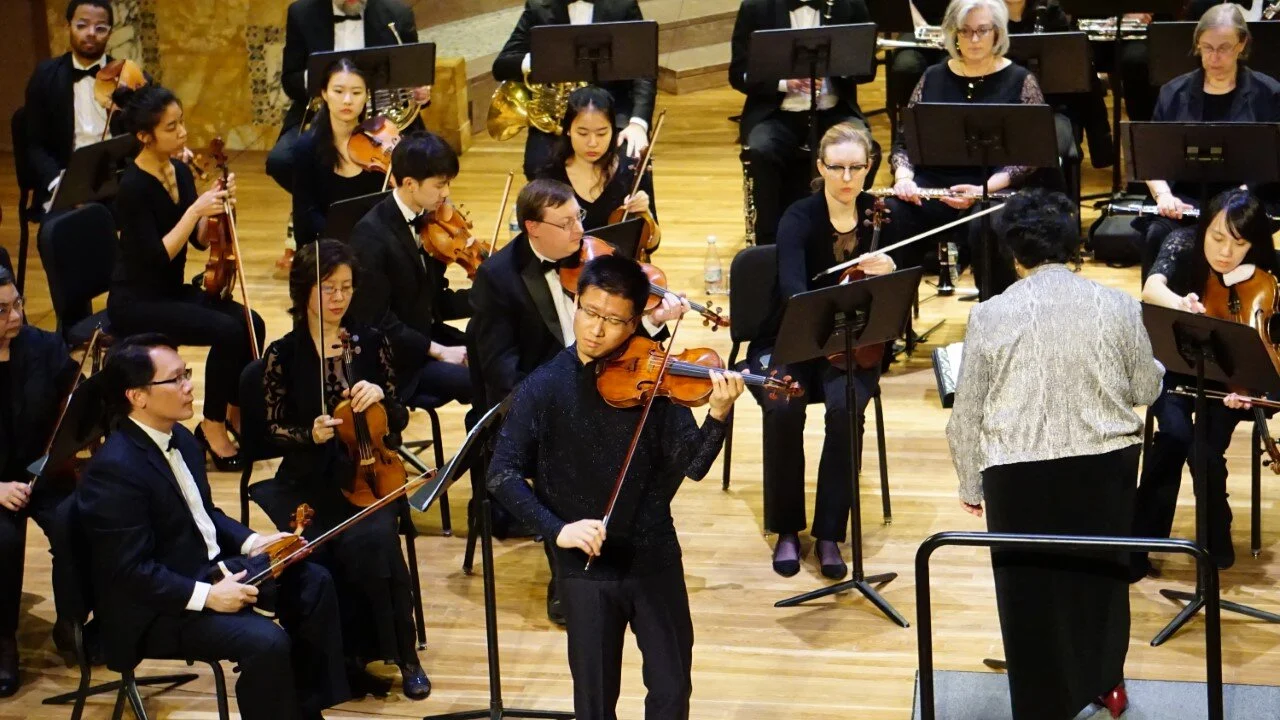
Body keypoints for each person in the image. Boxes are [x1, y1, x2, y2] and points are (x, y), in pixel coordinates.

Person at [487, 254, 746, 720]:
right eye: (589, 311)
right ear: (575, 303)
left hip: (653, 554)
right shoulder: (543, 387)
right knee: (595, 702)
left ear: (634, 322)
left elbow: (694, 465)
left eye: (613, 320)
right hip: (584, 566)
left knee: (672, 690)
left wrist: (719, 415)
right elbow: (501, 473)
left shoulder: (655, 377)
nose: (596, 329)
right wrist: (557, 530)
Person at [946, 189, 1162, 720]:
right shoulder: (1119, 305)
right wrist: (1155, 368)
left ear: (1013, 253)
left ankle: (1040, 704)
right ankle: (1106, 684)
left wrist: (971, 483)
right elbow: (1145, 388)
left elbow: (966, 414)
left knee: (1028, 594)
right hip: (1105, 467)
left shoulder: (989, 315)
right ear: (1074, 247)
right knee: (1101, 584)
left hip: (1017, 474)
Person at [76, 334, 350, 720]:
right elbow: (130, 572)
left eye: (186, 374)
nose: (189, 386)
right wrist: (208, 596)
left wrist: (255, 542)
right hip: (156, 608)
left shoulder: (182, 439)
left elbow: (204, 513)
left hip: (207, 571)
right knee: (266, 642)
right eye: (176, 379)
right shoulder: (114, 471)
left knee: (313, 582)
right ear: (137, 396)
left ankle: (304, 710)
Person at [469, 178, 688, 624]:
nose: (579, 230)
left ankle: (628, 547)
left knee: (648, 443)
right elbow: (500, 370)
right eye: (566, 223)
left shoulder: (595, 256)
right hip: (543, 399)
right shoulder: (497, 278)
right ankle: (568, 570)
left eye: (578, 218)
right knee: (570, 458)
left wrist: (654, 323)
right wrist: (555, 400)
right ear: (533, 227)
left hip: (608, 385)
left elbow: (623, 338)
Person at [252, 240, 430, 700]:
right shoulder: (283, 355)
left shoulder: (369, 341)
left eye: (346, 288)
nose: (339, 298)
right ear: (304, 291)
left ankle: (404, 654)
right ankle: (343, 658)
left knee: (375, 541)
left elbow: (398, 417)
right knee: (332, 547)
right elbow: (271, 430)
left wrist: (383, 400)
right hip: (309, 479)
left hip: (370, 475)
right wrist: (308, 434)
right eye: (328, 288)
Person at [748, 122, 896, 578]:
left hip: (855, 344)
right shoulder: (799, 217)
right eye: (837, 168)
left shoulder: (880, 216)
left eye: (856, 167)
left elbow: (898, 299)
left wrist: (889, 269)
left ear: (869, 167)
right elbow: (794, 291)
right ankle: (787, 529)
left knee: (846, 408)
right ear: (820, 167)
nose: (847, 178)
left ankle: (830, 533)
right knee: (782, 407)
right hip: (792, 338)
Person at [106, 84, 265, 472]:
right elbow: (156, 256)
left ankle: (234, 413)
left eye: (181, 123)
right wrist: (195, 210)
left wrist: (217, 209)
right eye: (171, 127)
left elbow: (197, 241)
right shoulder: (131, 187)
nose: (182, 133)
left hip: (169, 291)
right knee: (228, 332)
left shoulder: (178, 169)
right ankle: (211, 427)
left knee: (252, 323)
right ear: (145, 136)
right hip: (138, 302)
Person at [1133, 189, 1277, 576]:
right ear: (1205, 229)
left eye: (1239, 243)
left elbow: (1271, 340)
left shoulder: (1270, 270)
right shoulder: (1183, 243)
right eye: (1217, 237)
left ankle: (1212, 538)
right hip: (1174, 366)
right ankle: (1142, 544)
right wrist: (1180, 304)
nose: (1226, 252)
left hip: (1233, 381)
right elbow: (1151, 288)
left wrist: (1249, 388)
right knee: (1175, 437)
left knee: (1205, 449)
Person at [885, 0, 1049, 297]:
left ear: (997, 33)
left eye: (982, 30)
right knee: (892, 213)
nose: (974, 39)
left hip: (995, 187)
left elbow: (1031, 155)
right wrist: (904, 178)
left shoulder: (1021, 80)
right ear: (954, 33)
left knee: (988, 224)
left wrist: (983, 188)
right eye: (965, 30)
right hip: (935, 186)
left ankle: (994, 312)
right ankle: (893, 317)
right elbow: (904, 142)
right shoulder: (932, 76)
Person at [271, 0, 427, 270]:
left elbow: (414, 76)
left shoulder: (397, 13)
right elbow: (290, 79)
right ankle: (328, 215)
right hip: (322, 111)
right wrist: (324, 80)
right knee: (281, 160)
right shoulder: (302, 13)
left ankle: (401, 233)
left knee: (423, 161)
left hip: (385, 116)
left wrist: (420, 93)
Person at [1138, 3, 1280, 277]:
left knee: (1232, 236)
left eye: (1224, 48)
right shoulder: (1173, 92)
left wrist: (1243, 194)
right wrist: (1163, 195)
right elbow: (1151, 156)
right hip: (1185, 199)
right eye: (1207, 48)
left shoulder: (1269, 93)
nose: (1214, 57)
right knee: (1156, 233)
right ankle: (1158, 303)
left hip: (1246, 199)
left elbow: (1275, 158)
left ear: (1241, 44)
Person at [730, 0, 881, 246]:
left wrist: (837, 64)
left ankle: (843, 225)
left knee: (867, 148)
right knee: (762, 149)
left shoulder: (848, 5)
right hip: (777, 114)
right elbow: (738, 74)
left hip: (833, 111)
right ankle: (770, 242)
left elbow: (868, 70)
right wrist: (784, 82)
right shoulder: (756, 7)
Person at [346, 131, 472, 405]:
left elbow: (433, 302)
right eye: (439, 185)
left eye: (448, 183)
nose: (446, 193)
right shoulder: (370, 237)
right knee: (481, 381)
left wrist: (483, 297)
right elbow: (377, 320)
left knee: (503, 362)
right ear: (410, 184)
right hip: (395, 361)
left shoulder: (431, 224)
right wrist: (439, 351)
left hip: (426, 336)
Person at [0, 267, 80, 697]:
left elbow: (80, 395)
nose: (15, 316)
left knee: (75, 520)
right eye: (1, 310)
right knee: (3, 542)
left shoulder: (43, 346)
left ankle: (72, 623)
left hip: (40, 471)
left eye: (17, 304)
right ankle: (3, 644)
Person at [493, 0, 657, 180]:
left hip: (613, 112)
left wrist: (638, 123)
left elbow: (644, 68)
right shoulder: (539, 7)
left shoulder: (622, 5)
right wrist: (541, 61)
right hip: (558, 119)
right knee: (538, 164)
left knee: (632, 162)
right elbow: (501, 66)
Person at [23, 0, 119, 215]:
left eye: (100, 28)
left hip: (117, 182)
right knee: (64, 231)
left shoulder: (125, 76)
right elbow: (35, 145)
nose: (91, 33)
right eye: (82, 25)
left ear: (110, 33)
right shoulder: (45, 76)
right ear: (68, 27)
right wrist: (62, 187)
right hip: (63, 181)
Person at [535, 86, 657, 242]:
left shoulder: (632, 168)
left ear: (613, 130)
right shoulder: (549, 175)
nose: (592, 143)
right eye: (583, 133)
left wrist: (646, 213)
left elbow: (653, 243)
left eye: (601, 133)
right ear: (568, 130)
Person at [292, 58, 387, 248]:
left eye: (356, 92)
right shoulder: (306, 147)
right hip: (328, 247)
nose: (347, 100)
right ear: (324, 93)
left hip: (374, 243)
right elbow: (305, 215)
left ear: (367, 96)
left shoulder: (381, 143)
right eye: (338, 91)